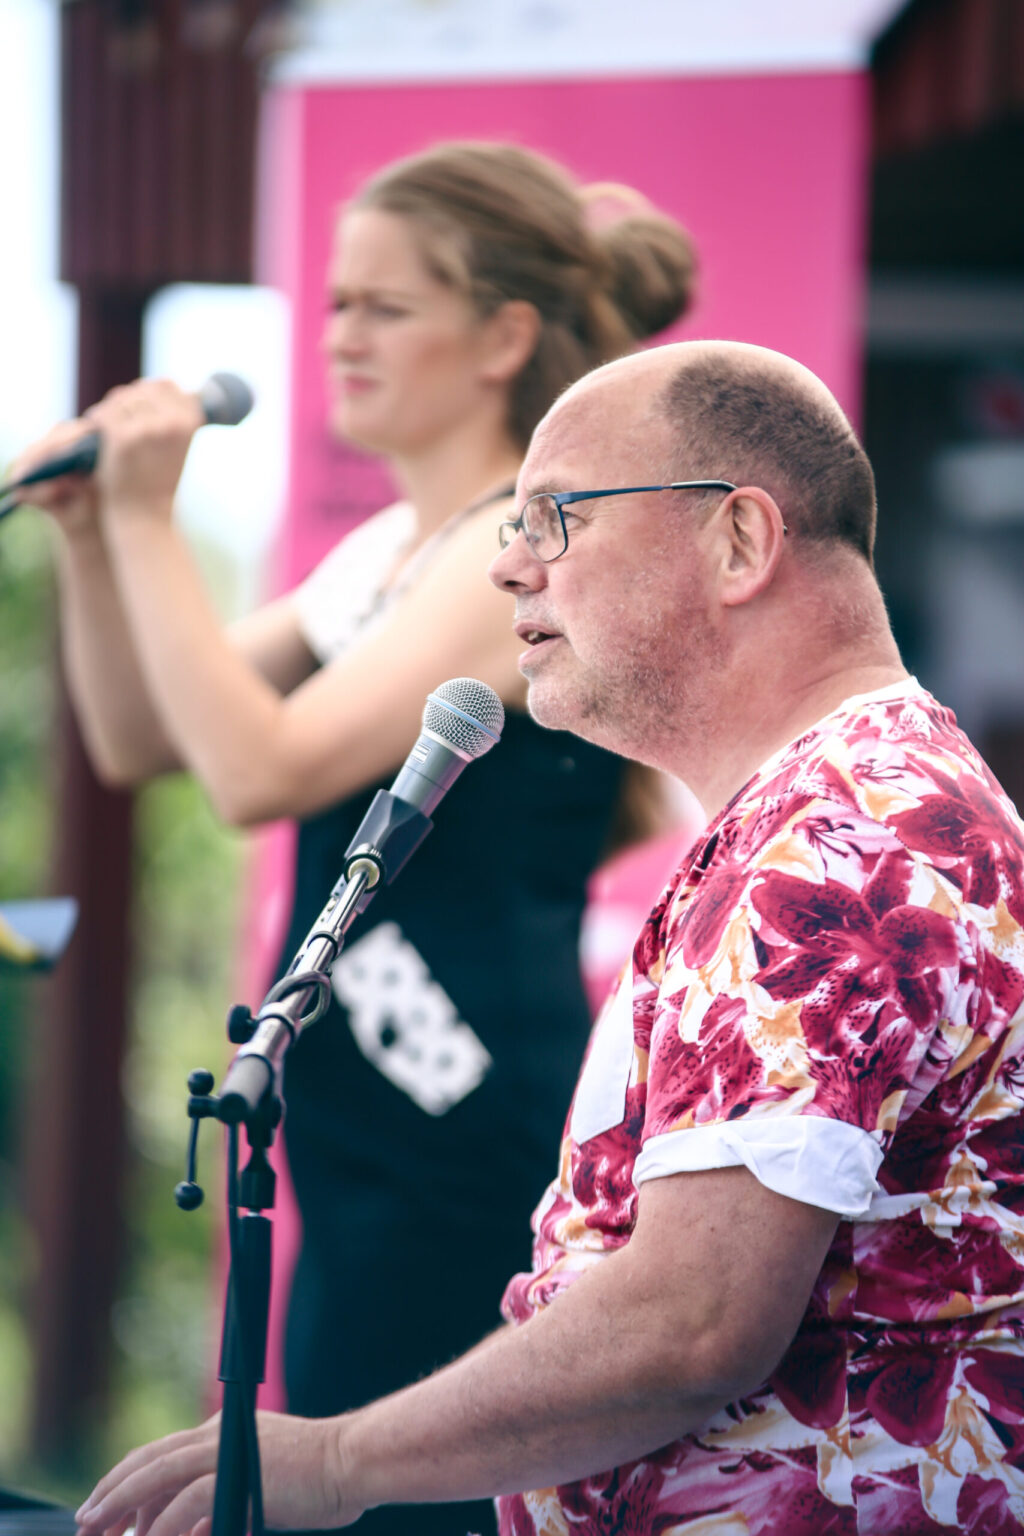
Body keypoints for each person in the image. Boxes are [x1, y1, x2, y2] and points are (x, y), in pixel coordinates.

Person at [75, 338, 1024, 1535]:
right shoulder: (835, 809)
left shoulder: (843, 843)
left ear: (738, 540)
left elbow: (691, 1325)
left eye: (555, 517)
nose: (507, 565)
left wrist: (336, 1459)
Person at [13, 144, 699, 1536]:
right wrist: (94, 537)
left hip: (463, 1121)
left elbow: (257, 770)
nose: (342, 338)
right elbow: (142, 737)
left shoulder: (512, 547)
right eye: (333, 305)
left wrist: (146, 514)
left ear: (502, 337)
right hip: (352, 1121)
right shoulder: (394, 547)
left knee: (415, 1492)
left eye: (385, 306)